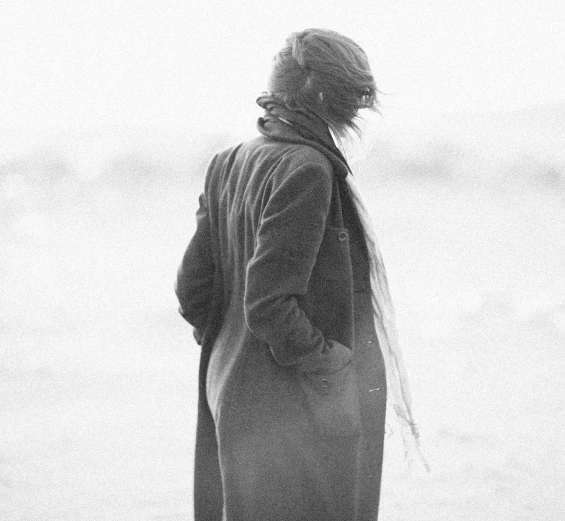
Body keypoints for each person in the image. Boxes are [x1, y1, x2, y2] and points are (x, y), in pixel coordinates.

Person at [175, 28, 421, 521]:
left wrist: (226, 342)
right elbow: (269, 305)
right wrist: (331, 363)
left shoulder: (226, 162)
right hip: (289, 407)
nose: (357, 112)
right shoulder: (307, 168)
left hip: (229, 390)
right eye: (354, 98)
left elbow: (191, 289)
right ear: (324, 96)